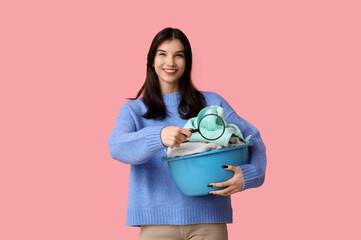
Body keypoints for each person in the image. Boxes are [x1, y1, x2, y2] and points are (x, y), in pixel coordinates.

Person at [108, 27, 267, 240]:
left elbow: (252, 138)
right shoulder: (134, 110)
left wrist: (249, 175)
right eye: (163, 54)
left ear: (187, 61)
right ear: (152, 61)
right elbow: (117, 146)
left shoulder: (212, 104)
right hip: (156, 225)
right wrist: (159, 136)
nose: (170, 62)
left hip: (209, 223)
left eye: (179, 55)